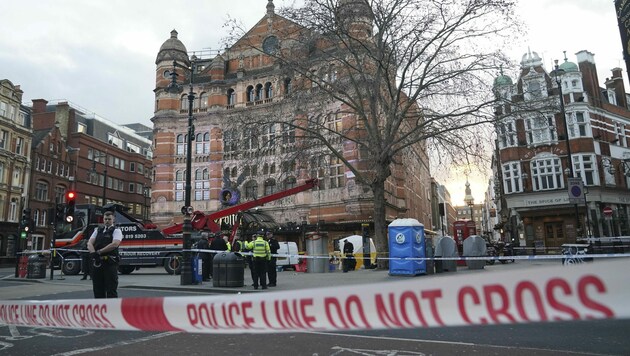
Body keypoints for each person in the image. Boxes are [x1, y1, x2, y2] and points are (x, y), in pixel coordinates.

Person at [87, 211, 123, 298]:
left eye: (109, 219)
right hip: (98, 263)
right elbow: (89, 243)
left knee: (111, 289)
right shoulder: (98, 230)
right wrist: (93, 253)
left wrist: (99, 252)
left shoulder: (116, 231)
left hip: (110, 263)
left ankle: (112, 310)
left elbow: (115, 244)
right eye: (105, 219)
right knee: (97, 289)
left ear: (113, 219)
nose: (107, 221)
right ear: (103, 219)